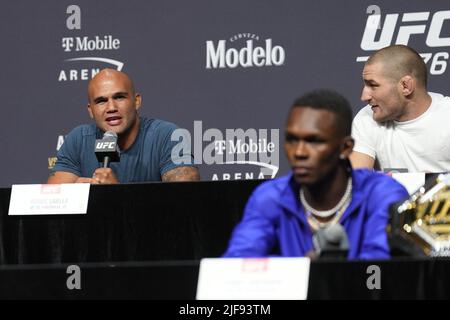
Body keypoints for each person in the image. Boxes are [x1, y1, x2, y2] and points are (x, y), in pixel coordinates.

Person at [223, 90, 408, 259]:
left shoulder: (382, 194)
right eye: (292, 140)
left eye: (314, 141)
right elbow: (237, 266)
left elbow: (381, 274)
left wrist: (317, 273)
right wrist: (303, 269)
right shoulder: (270, 197)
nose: (299, 152)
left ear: (345, 148)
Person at [47, 69, 199, 184]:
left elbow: (186, 202)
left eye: (119, 97)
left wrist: (118, 195)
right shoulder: (78, 139)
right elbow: (52, 205)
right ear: (90, 110)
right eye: (101, 101)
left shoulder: (168, 136)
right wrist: (75, 195)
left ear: (136, 101)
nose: (111, 107)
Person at [351, 44, 450, 172]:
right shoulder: (366, 118)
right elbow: (358, 183)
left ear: (405, 86)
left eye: (373, 85)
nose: (364, 96)